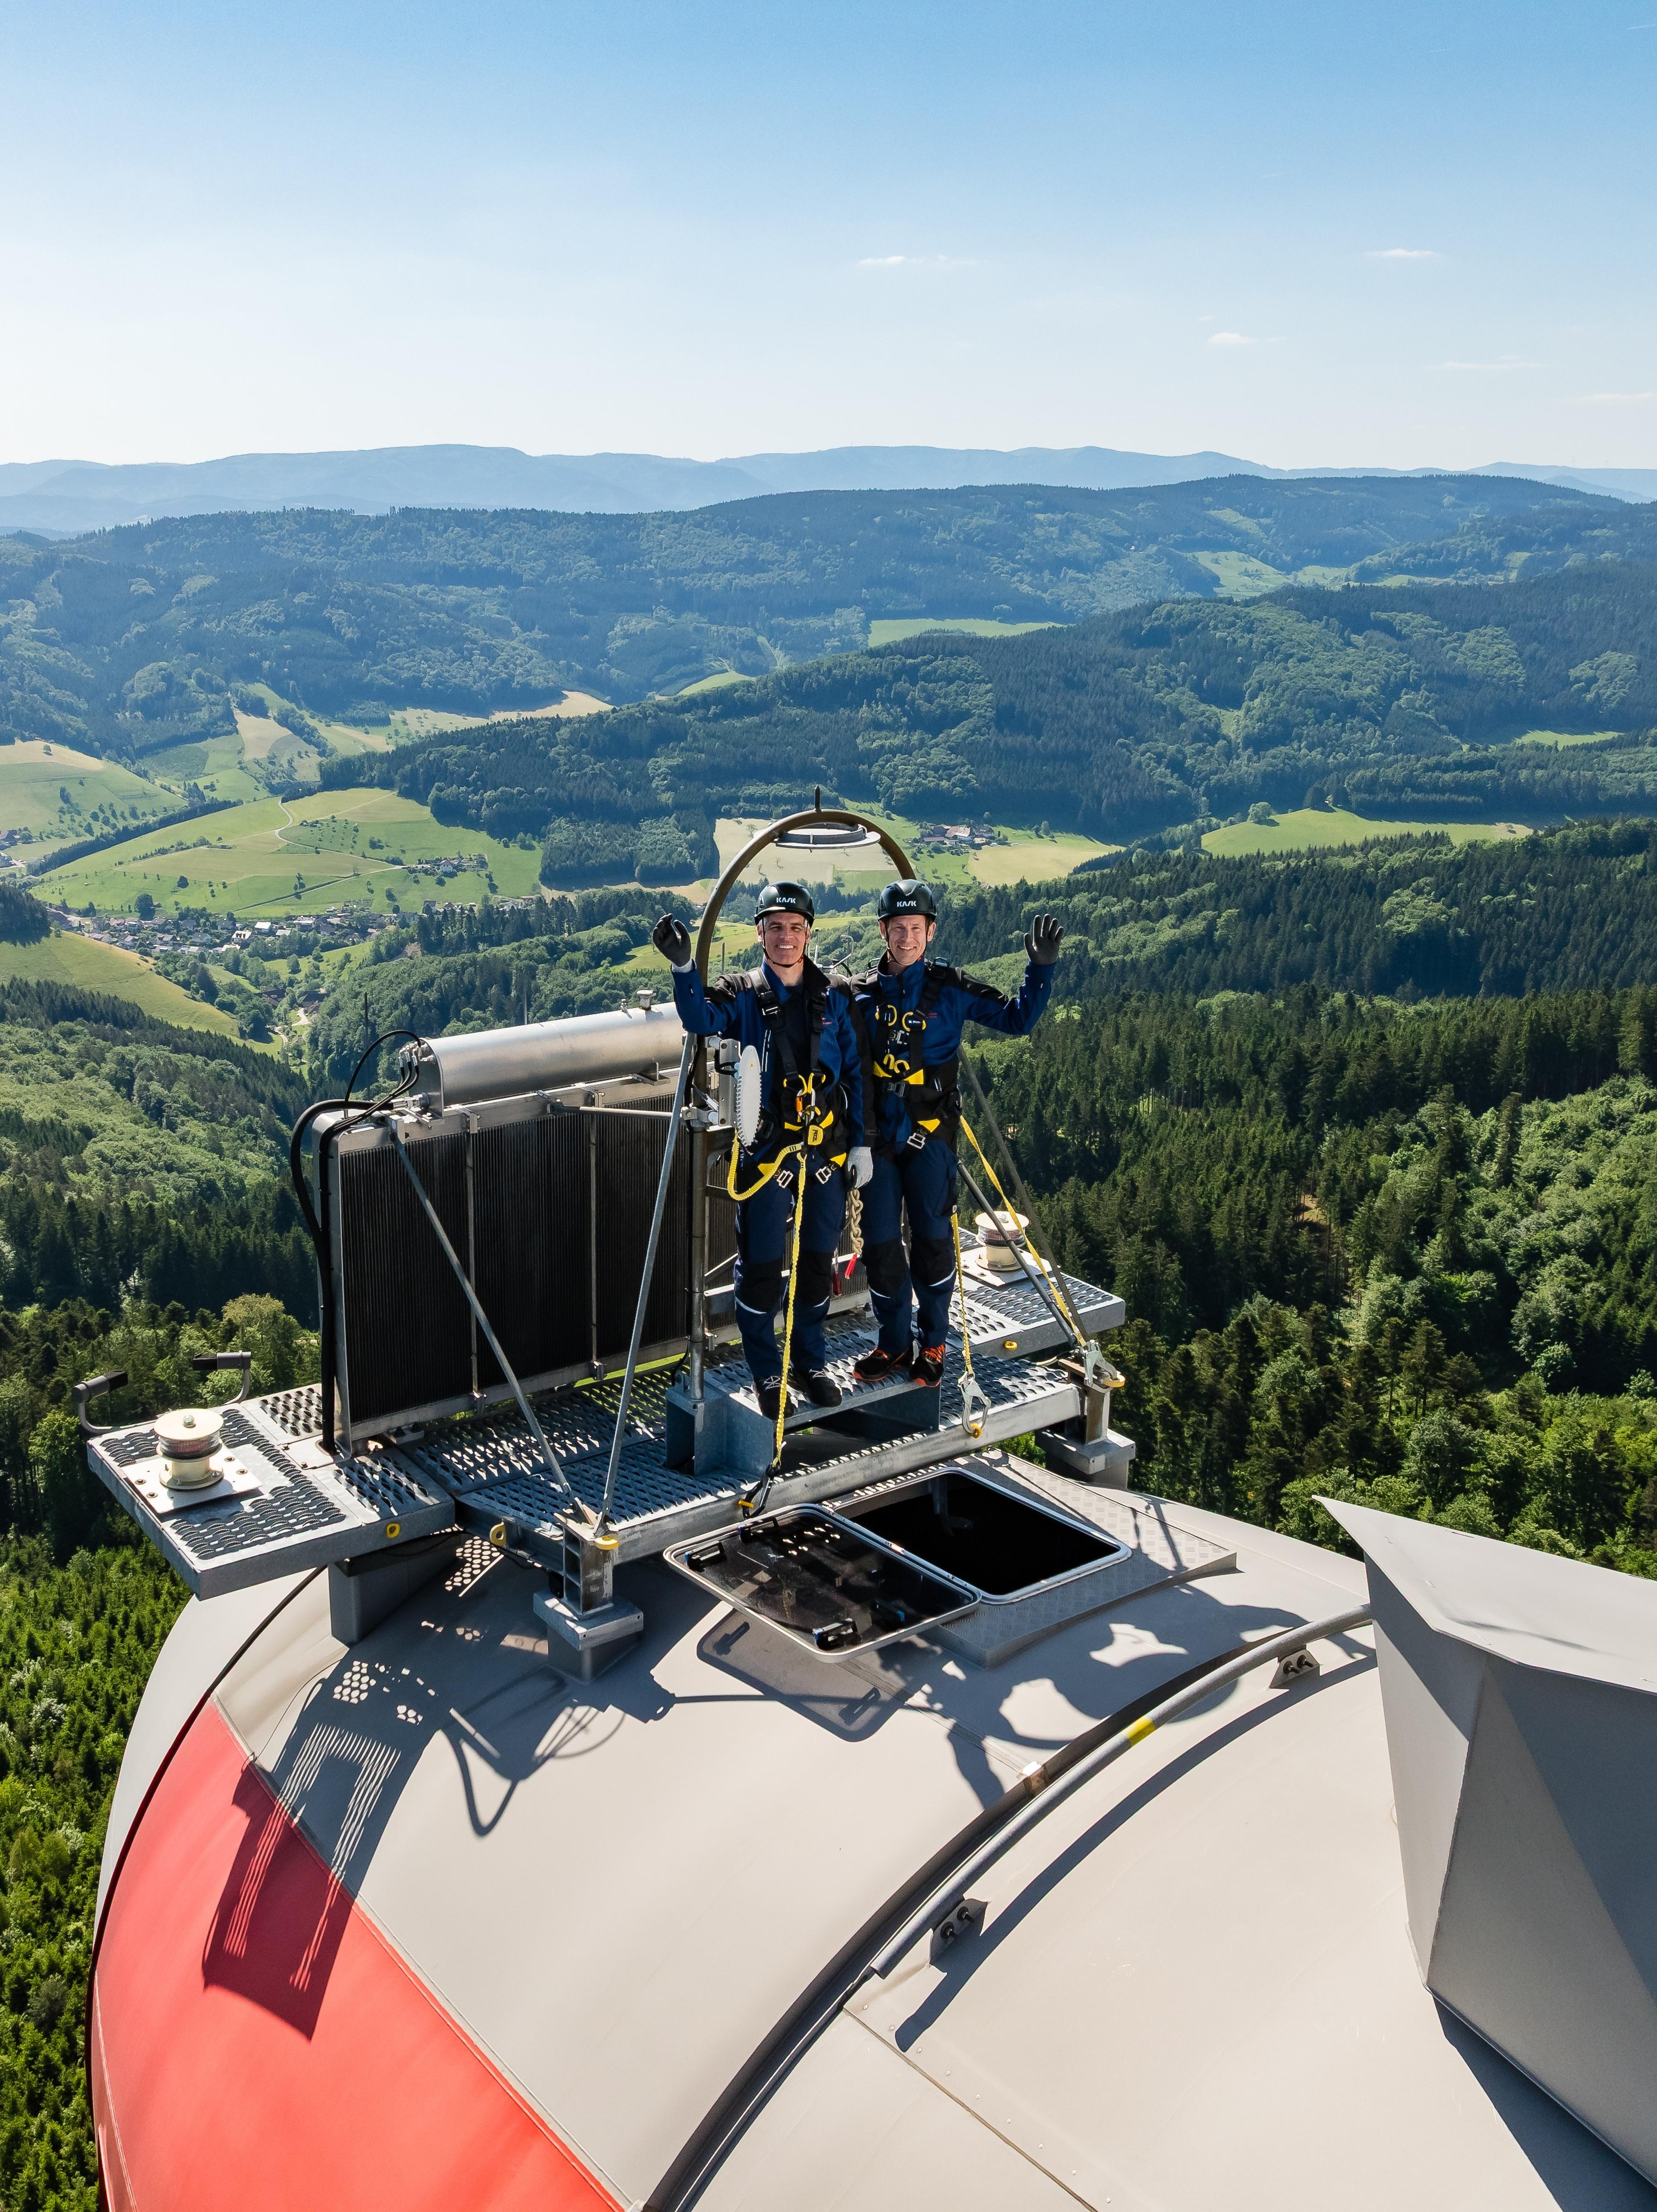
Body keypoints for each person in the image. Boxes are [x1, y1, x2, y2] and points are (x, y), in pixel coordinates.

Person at [652, 885, 873, 1420]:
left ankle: (809, 1362)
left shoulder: (834, 994)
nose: (787, 937)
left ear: (809, 934)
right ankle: (767, 1371)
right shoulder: (745, 994)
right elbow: (701, 1020)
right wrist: (685, 969)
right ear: (760, 933)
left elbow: (855, 1076)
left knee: (817, 1262)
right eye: (776, 927)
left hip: (824, 1150)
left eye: (796, 927)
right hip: (771, 1152)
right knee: (762, 1267)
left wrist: (861, 1142)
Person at [847, 879, 1063, 1388]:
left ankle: (935, 1342)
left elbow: (1017, 1019)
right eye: (897, 928)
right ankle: (894, 1343)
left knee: (933, 1242)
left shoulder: (952, 989)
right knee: (880, 1244)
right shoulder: (858, 996)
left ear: (931, 931)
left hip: (930, 1138)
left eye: (915, 929)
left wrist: (1041, 969)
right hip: (878, 1142)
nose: (906, 938)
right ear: (883, 930)